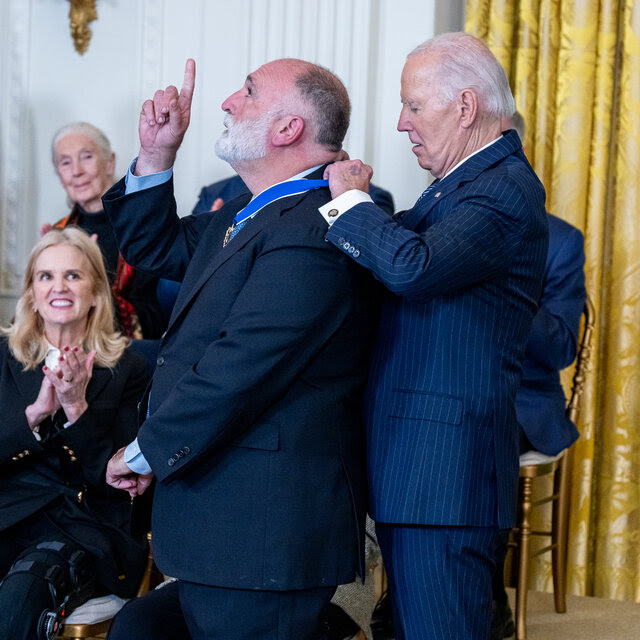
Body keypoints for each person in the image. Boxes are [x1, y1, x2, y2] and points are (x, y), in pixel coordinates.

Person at [103, 57, 379, 640]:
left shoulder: (317, 227)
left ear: (287, 130)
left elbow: (239, 367)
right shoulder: (258, 216)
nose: (227, 101)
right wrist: (156, 155)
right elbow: (155, 245)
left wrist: (145, 450)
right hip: (230, 530)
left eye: (248, 93)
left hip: (265, 536)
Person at [319, 32, 549, 639]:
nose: (401, 123)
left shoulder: (500, 189)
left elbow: (410, 267)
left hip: (444, 484)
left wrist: (350, 204)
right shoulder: (460, 183)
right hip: (420, 477)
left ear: (465, 107)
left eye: (413, 106)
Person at [0, 227, 151, 640]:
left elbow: (123, 486)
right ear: (30, 293)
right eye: (46, 276)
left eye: (73, 275)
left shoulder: (130, 370)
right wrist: (34, 415)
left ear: (97, 293)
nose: (58, 287)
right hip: (9, 513)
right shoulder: (3, 357)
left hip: (84, 526)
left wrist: (76, 408)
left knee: (16, 605)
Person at [490, 112, 586, 640]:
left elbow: (560, 346)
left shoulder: (561, 240)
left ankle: (485, 602)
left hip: (522, 401)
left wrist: (508, 281)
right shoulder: (434, 221)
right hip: (446, 389)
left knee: (477, 441)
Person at [46, 122, 166, 339]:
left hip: (126, 351)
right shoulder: (59, 233)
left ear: (110, 163)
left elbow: (154, 317)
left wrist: (94, 280)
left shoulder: (143, 227)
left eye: (86, 157)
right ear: (59, 176)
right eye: (65, 162)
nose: (76, 171)